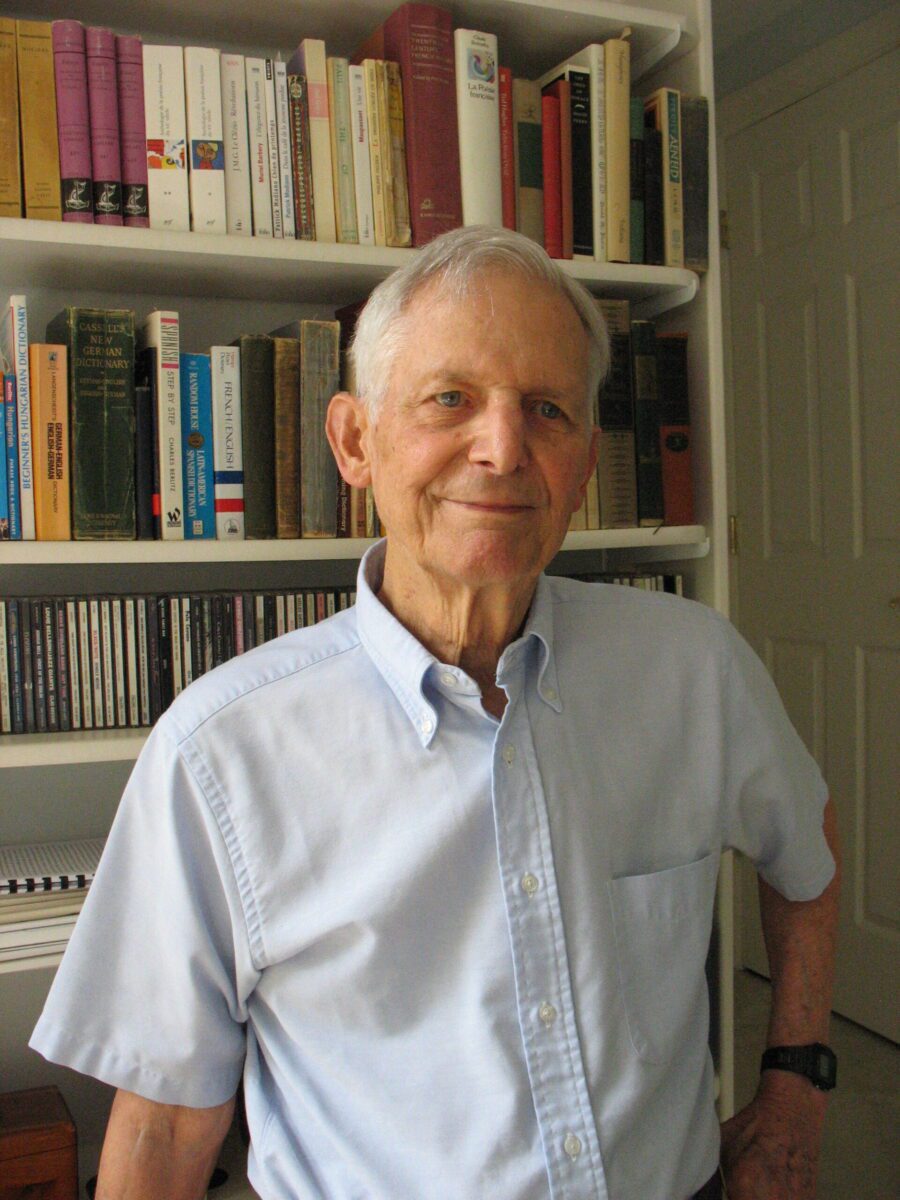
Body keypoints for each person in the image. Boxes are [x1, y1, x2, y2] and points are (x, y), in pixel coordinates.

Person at [31, 226, 840, 1200]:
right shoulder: (221, 756)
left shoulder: (695, 670)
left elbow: (807, 853)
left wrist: (797, 1083)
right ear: (354, 441)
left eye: (546, 409)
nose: (501, 449)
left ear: (584, 463)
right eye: (449, 399)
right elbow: (162, 1131)